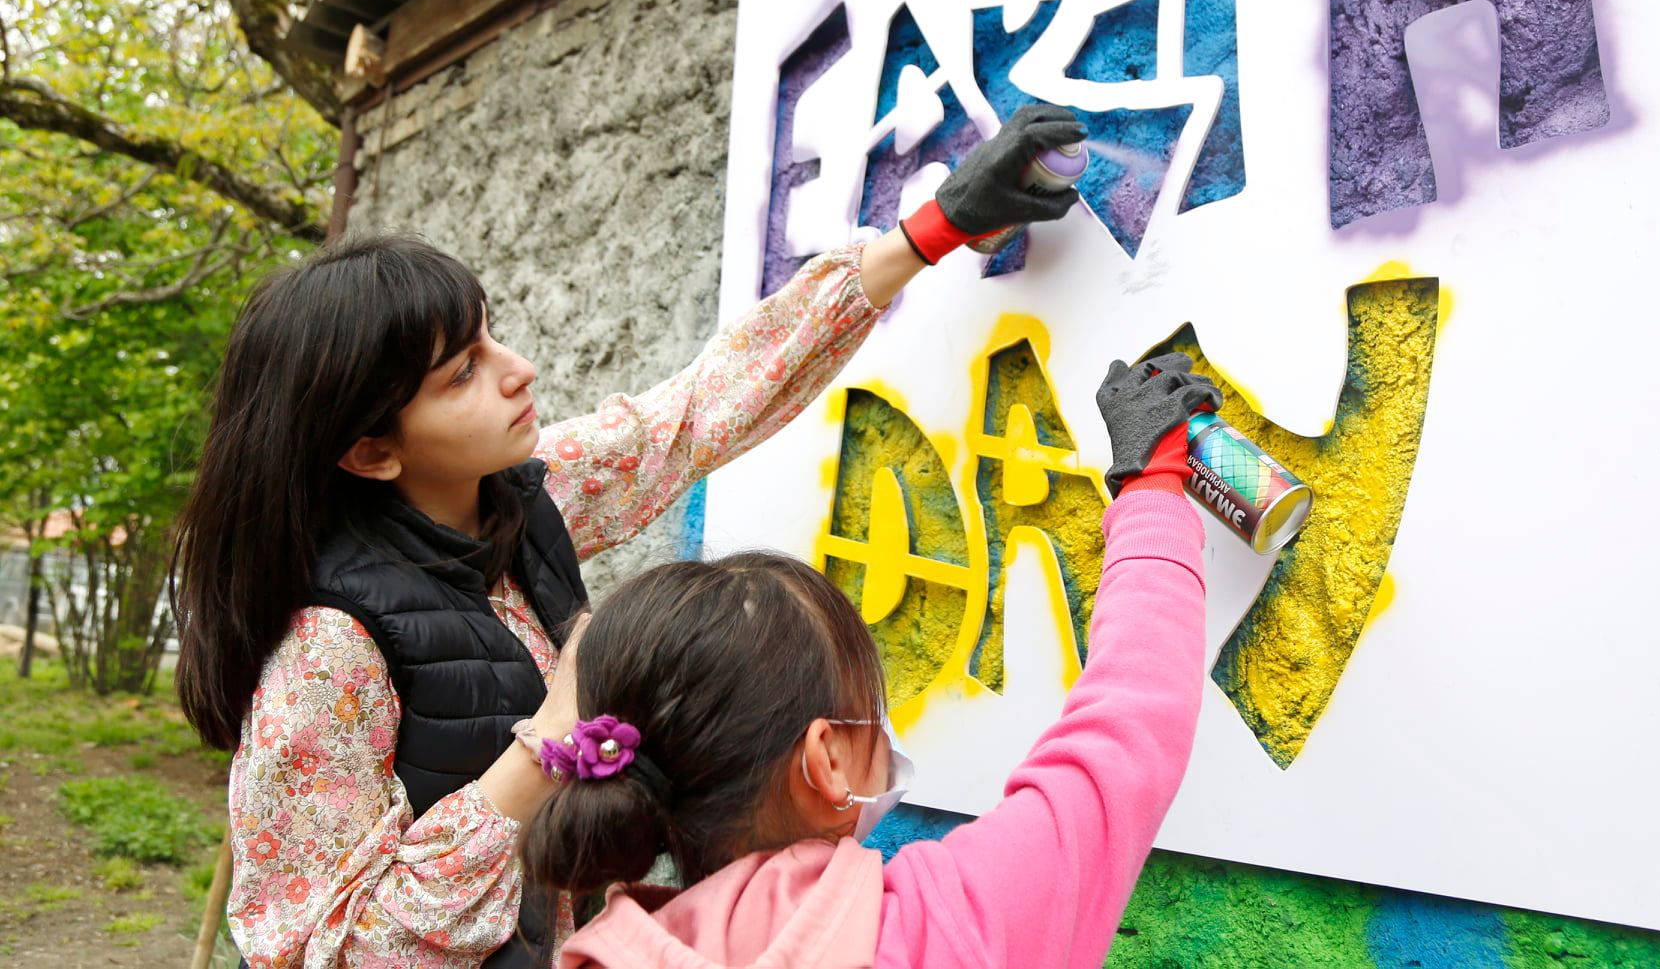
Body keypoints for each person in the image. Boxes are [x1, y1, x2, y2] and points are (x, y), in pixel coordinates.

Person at [167, 104, 1086, 967]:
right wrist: (547, 739)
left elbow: (701, 408)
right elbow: (331, 952)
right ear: (371, 451)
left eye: (492, 337)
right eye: (462, 374)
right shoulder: (326, 650)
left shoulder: (522, 498)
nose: (519, 370)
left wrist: (935, 226)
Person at [518, 352, 1221, 968]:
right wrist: (1151, 489)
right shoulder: (933, 928)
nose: (885, 738)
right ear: (824, 760)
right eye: (869, 715)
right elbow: (1122, 737)